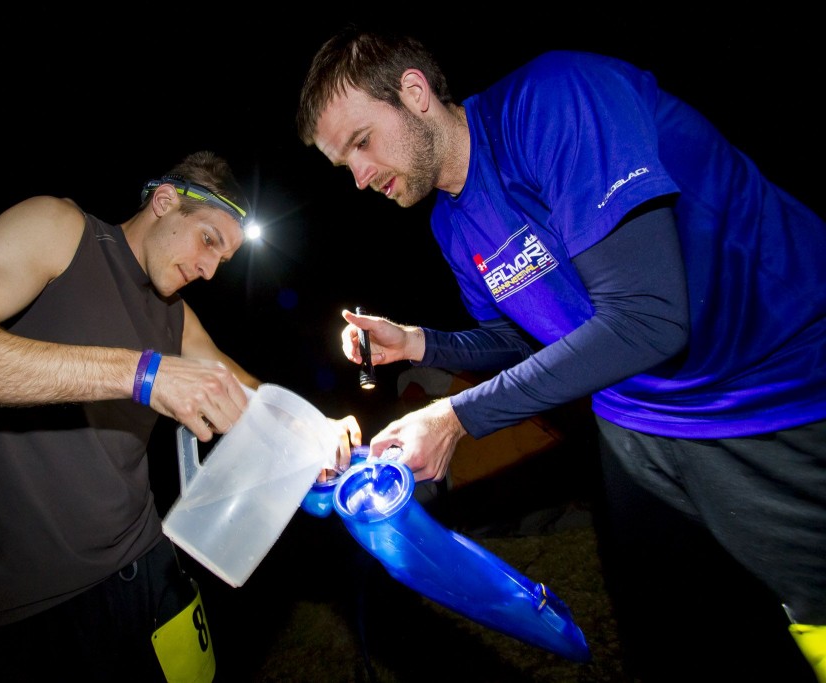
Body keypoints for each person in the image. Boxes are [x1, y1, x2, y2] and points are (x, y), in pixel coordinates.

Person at [297, 26, 825, 681]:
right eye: (342, 163)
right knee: (674, 630)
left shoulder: (554, 102)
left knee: (815, 608)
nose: (359, 176)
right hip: (641, 417)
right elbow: (533, 334)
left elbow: (650, 319)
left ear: (414, 92)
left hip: (772, 382)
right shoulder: (452, 224)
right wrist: (417, 342)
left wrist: (458, 416)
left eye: (361, 143)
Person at [0, 150, 361, 682]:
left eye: (223, 261)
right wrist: (142, 374)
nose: (210, 270)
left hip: (149, 566)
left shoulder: (176, 315)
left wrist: (316, 430)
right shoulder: (61, 231)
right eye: (209, 241)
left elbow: (244, 394)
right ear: (165, 202)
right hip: (24, 603)